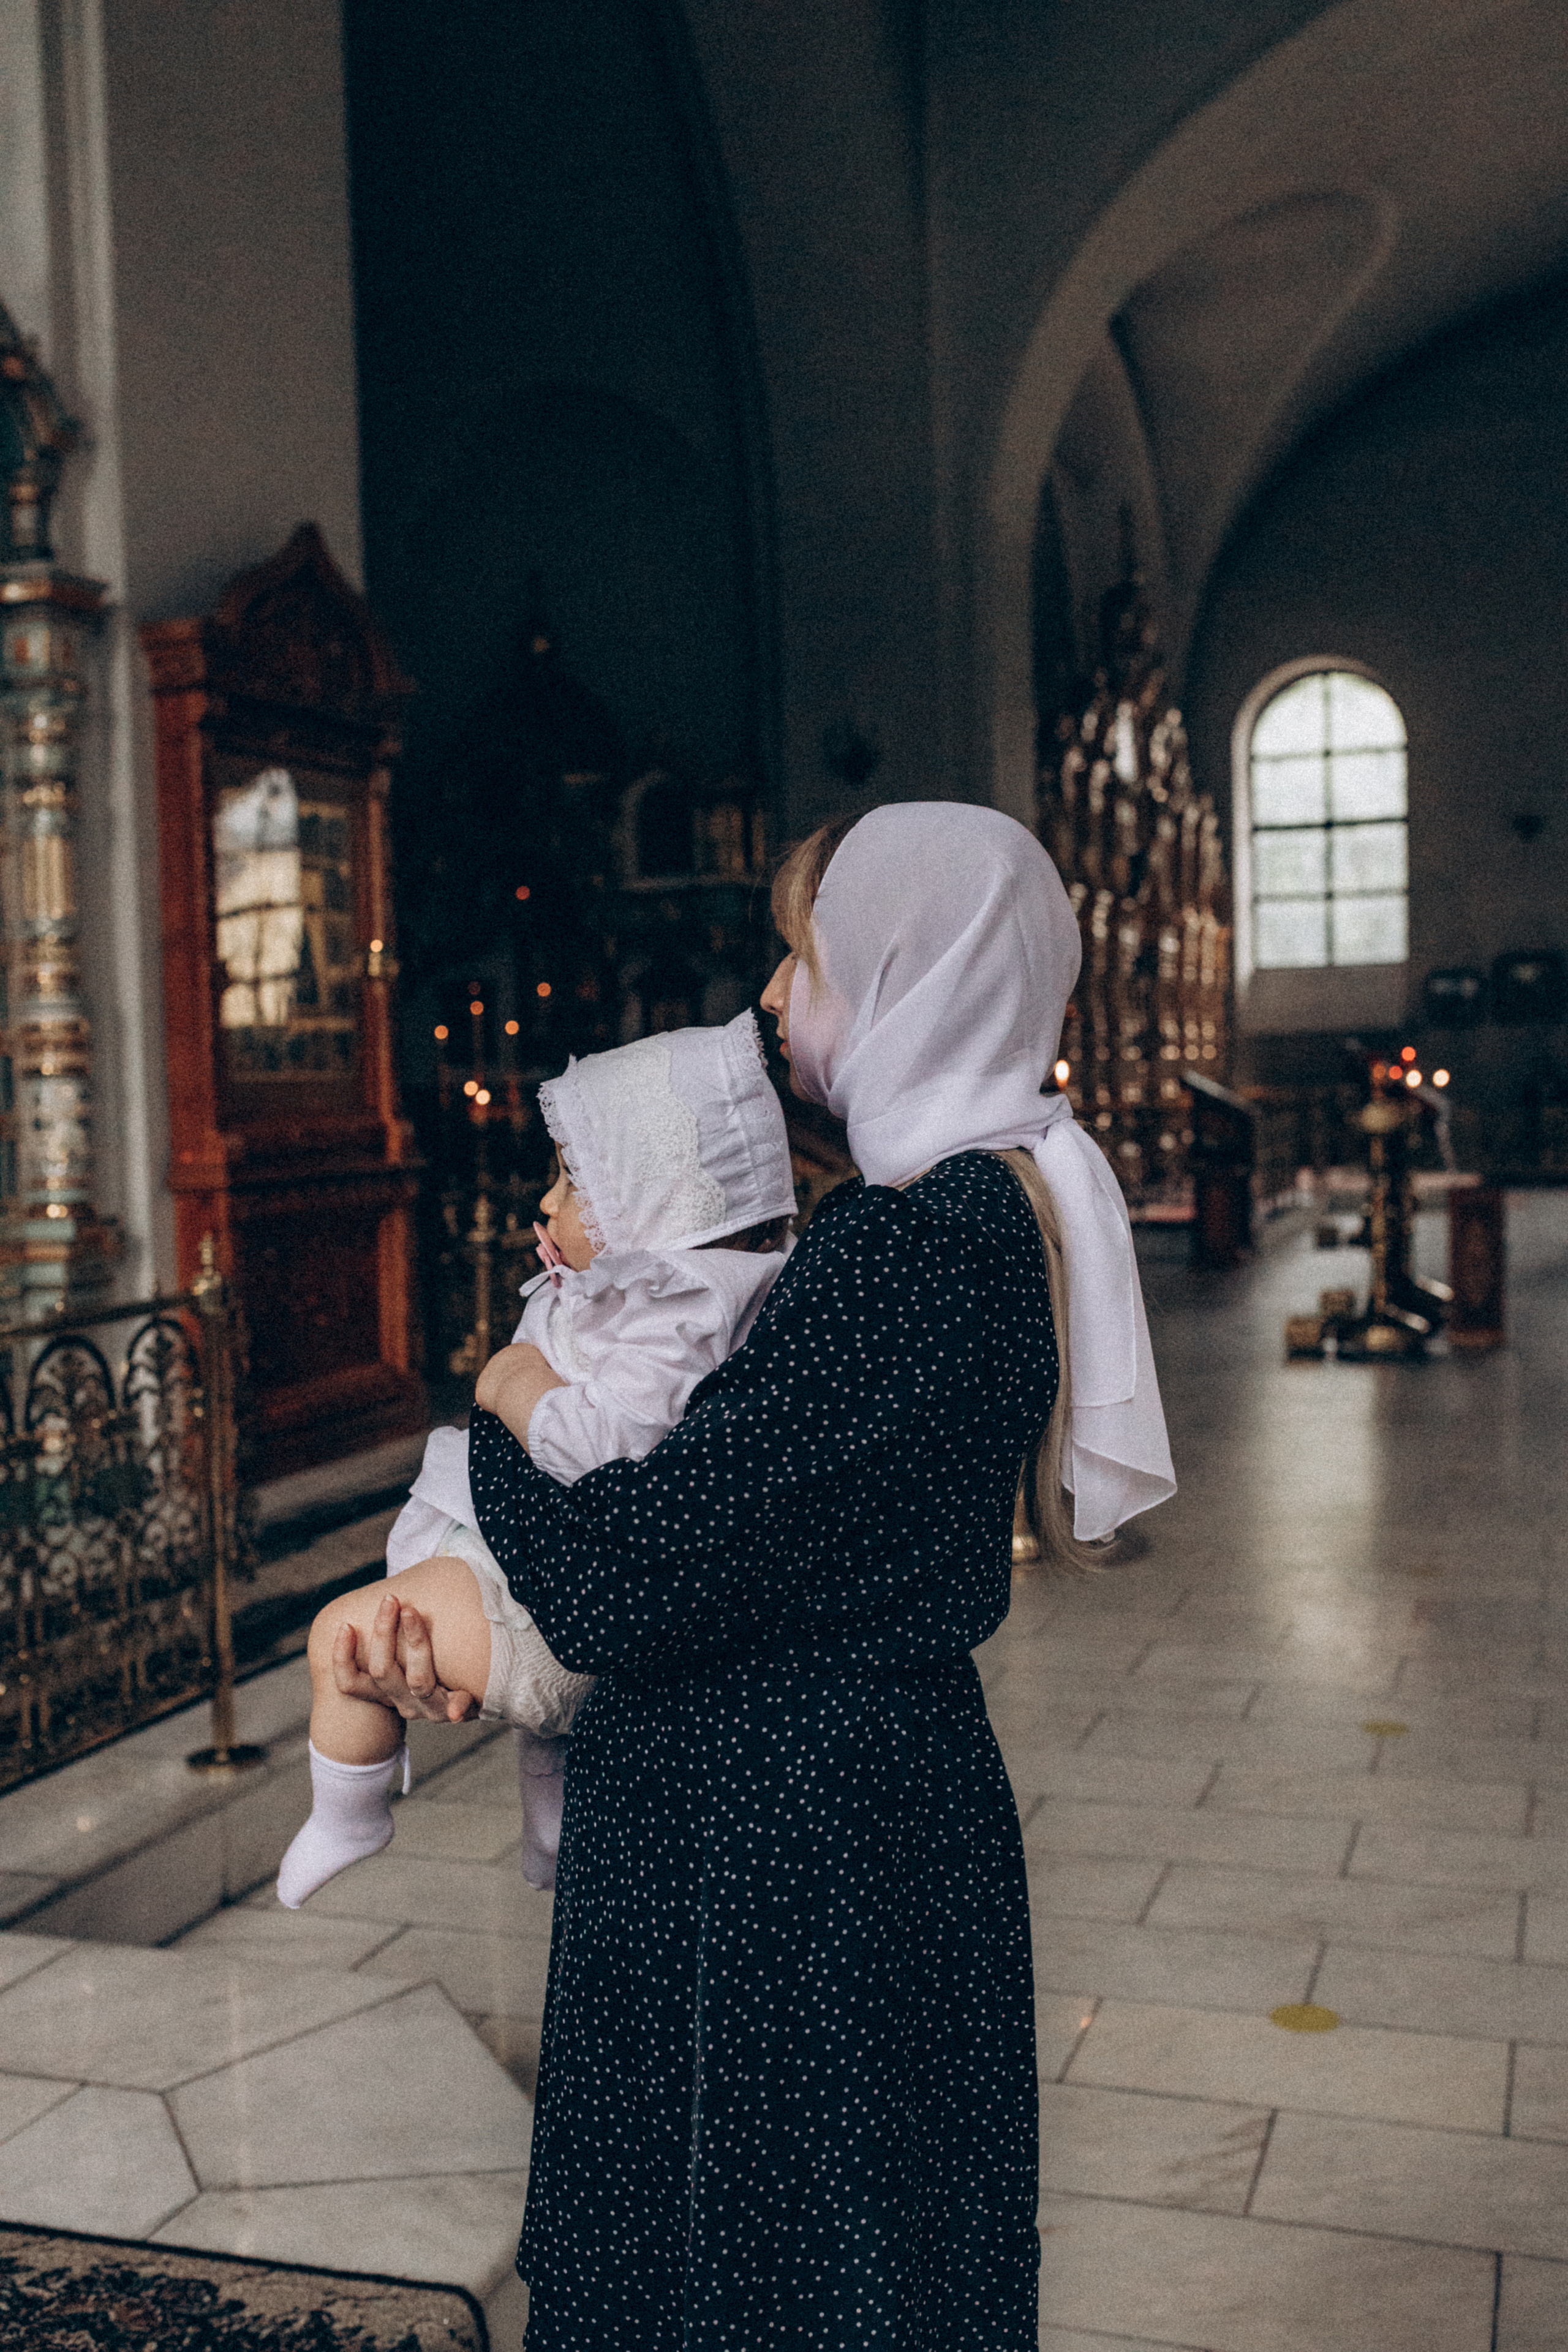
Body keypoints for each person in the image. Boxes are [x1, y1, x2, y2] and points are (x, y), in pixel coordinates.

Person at [344, 803, 1174, 2348]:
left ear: (909, 977)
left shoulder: (911, 1244)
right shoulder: (984, 1210)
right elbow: (720, 1534)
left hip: (776, 1858)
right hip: (839, 1819)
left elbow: (624, 1587)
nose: (774, 998)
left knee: (760, 2278)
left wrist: (505, 1400)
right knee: (851, 2263)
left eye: (804, 957)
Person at [276, 1009, 797, 1910]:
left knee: (342, 1636)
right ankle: (552, 1842)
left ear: (656, 1195)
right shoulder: (652, 1294)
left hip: (540, 1603)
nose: (546, 1204)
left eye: (574, 1180)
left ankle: (349, 1812)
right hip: (539, 1585)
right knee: (547, 1745)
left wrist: (513, 1383)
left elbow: (607, 1451)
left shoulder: (683, 1315)